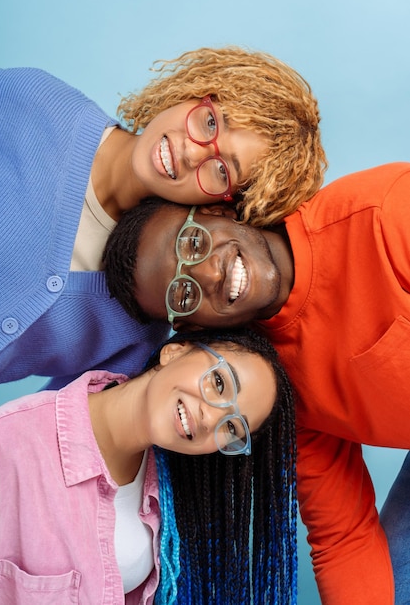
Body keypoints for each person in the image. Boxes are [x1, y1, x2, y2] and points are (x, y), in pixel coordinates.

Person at [103, 161, 410, 605]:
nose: (208, 273)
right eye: (183, 293)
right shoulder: (269, 385)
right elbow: (345, 536)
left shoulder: (383, 214)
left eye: (193, 243)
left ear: (219, 212)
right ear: (193, 331)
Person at [0, 46, 325, 388]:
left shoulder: (145, 323)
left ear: (226, 206)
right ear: (194, 92)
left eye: (222, 171)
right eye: (210, 121)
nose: (192, 150)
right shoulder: (30, 102)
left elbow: (56, 422)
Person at [0, 327, 297, 605]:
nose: (211, 419)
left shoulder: (168, 499)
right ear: (174, 351)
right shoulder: (9, 442)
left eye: (232, 427)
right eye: (219, 382)